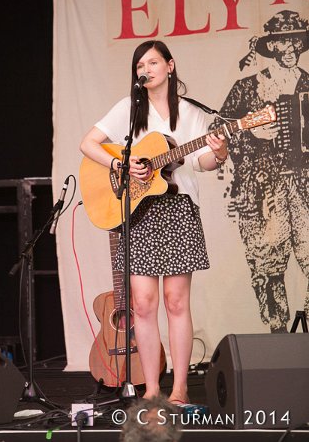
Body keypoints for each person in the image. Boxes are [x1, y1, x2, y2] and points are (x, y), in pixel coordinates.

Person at [80, 40, 228, 403]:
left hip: (177, 209)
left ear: (170, 66)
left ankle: (178, 388)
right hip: (138, 212)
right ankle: (151, 389)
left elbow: (202, 163)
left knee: (176, 302)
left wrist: (219, 152)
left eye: (152, 62)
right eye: (139, 65)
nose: (144, 69)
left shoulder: (192, 113)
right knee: (143, 304)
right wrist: (120, 164)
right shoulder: (129, 109)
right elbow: (89, 144)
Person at [215, 10, 309, 333]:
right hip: (264, 189)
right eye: (283, 41)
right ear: (273, 46)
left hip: (304, 186)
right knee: (269, 264)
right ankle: (278, 335)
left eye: (295, 40)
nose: (289, 48)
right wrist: (251, 135)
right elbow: (219, 129)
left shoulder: (308, 83)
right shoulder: (248, 87)